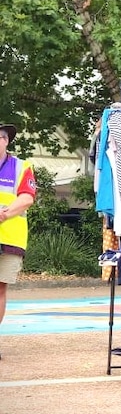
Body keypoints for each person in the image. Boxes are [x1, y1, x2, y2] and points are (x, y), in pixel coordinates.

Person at [0, 124, 37, 360]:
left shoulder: (22, 167)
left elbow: (26, 198)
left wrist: (3, 214)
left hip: (9, 237)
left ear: (6, 141)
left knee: (0, 288)